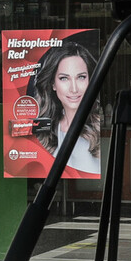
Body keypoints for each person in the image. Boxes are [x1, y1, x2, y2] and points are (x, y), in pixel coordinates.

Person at [28, 38, 102, 178]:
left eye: (81, 77)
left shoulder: (99, 127)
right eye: (64, 78)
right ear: (53, 84)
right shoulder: (47, 131)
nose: (74, 89)